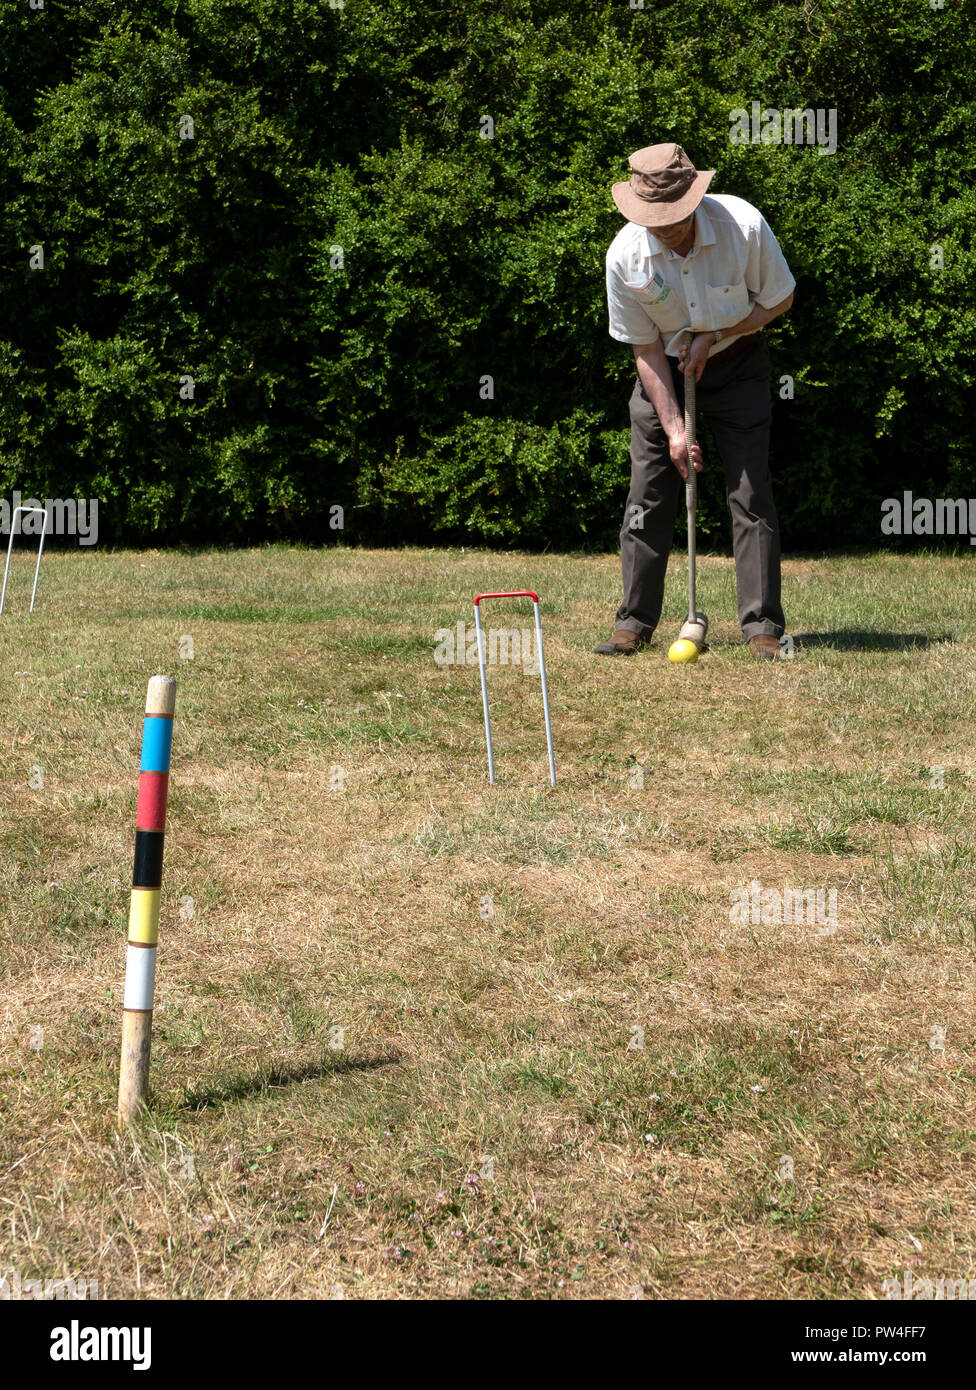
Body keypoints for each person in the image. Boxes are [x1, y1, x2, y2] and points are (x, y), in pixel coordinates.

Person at [596, 143, 795, 661]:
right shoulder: (625, 256)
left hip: (738, 363)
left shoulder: (742, 226)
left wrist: (716, 335)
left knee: (750, 492)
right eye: (654, 219)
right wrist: (676, 432)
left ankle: (762, 627)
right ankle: (633, 623)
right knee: (647, 495)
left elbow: (778, 299)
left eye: (674, 216)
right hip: (663, 372)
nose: (664, 228)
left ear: (695, 199)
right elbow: (644, 349)